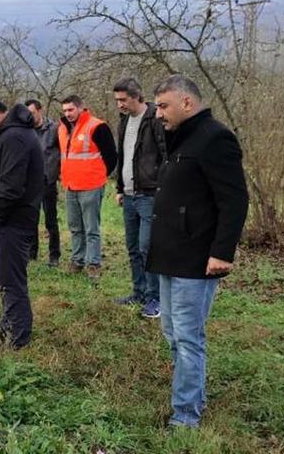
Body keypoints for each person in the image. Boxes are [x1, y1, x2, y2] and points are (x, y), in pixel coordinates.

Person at [148, 74, 248, 428]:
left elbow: (234, 200)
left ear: (186, 102)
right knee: (172, 334)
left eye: (163, 106)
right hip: (169, 254)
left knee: (188, 338)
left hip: (195, 259)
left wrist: (222, 252)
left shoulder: (215, 138)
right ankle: (194, 400)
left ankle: (185, 415)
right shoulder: (179, 136)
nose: (158, 113)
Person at [0, 94, 44, 349]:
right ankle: (8, 328)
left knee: (12, 282)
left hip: (12, 222)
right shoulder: (9, 135)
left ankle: (18, 339)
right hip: (8, 222)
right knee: (5, 279)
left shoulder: (14, 138)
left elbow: (11, 187)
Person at [112, 78, 167, 318]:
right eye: (117, 100)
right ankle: (139, 292)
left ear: (136, 96)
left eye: (123, 100)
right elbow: (123, 156)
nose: (120, 105)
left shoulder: (155, 118)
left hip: (149, 195)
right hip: (129, 195)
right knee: (133, 247)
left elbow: (165, 155)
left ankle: (156, 298)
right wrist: (120, 187)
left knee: (148, 248)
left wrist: (162, 188)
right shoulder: (124, 121)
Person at [57, 95, 117, 279]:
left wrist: (99, 175)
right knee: (75, 227)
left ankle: (93, 264)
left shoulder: (97, 126)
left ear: (80, 108)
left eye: (71, 109)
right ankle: (77, 260)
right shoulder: (62, 128)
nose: (67, 113)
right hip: (70, 185)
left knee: (91, 229)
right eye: (65, 110)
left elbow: (111, 156)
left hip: (91, 185)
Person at [24, 99, 61, 267]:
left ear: (40, 111)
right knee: (31, 219)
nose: (30, 117)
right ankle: (32, 253)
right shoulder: (26, 131)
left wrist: (59, 173)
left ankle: (54, 255)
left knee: (50, 220)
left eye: (32, 113)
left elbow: (63, 152)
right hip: (30, 183)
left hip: (48, 181)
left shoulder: (54, 129)